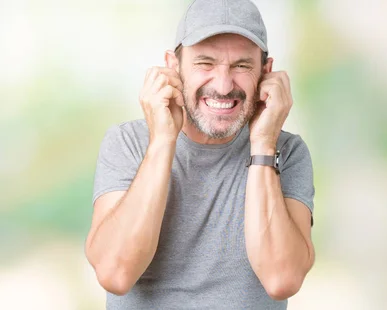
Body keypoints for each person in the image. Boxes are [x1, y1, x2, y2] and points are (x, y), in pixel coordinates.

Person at [84, 0, 315, 308]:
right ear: (174, 67)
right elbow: (115, 273)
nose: (223, 85)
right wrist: (163, 140)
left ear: (266, 72)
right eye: (205, 63)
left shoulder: (286, 152)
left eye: (242, 66)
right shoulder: (127, 143)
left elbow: (281, 279)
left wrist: (262, 143)